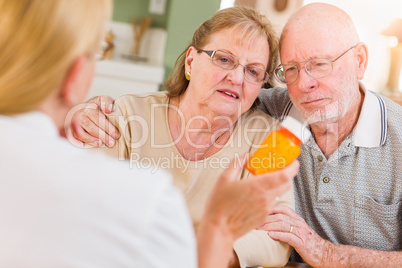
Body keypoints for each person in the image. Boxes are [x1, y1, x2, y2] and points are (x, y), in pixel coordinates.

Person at [0, 1, 299, 267]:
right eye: (224, 59)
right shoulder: (128, 116)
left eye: (253, 72)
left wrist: (224, 253)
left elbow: (277, 236)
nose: (236, 77)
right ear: (192, 62)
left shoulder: (268, 137)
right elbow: (92, 221)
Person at [257, 3, 402, 267]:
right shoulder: (273, 111)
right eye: (291, 69)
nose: (303, 85)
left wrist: (324, 253)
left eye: (320, 64)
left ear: (360, 61)